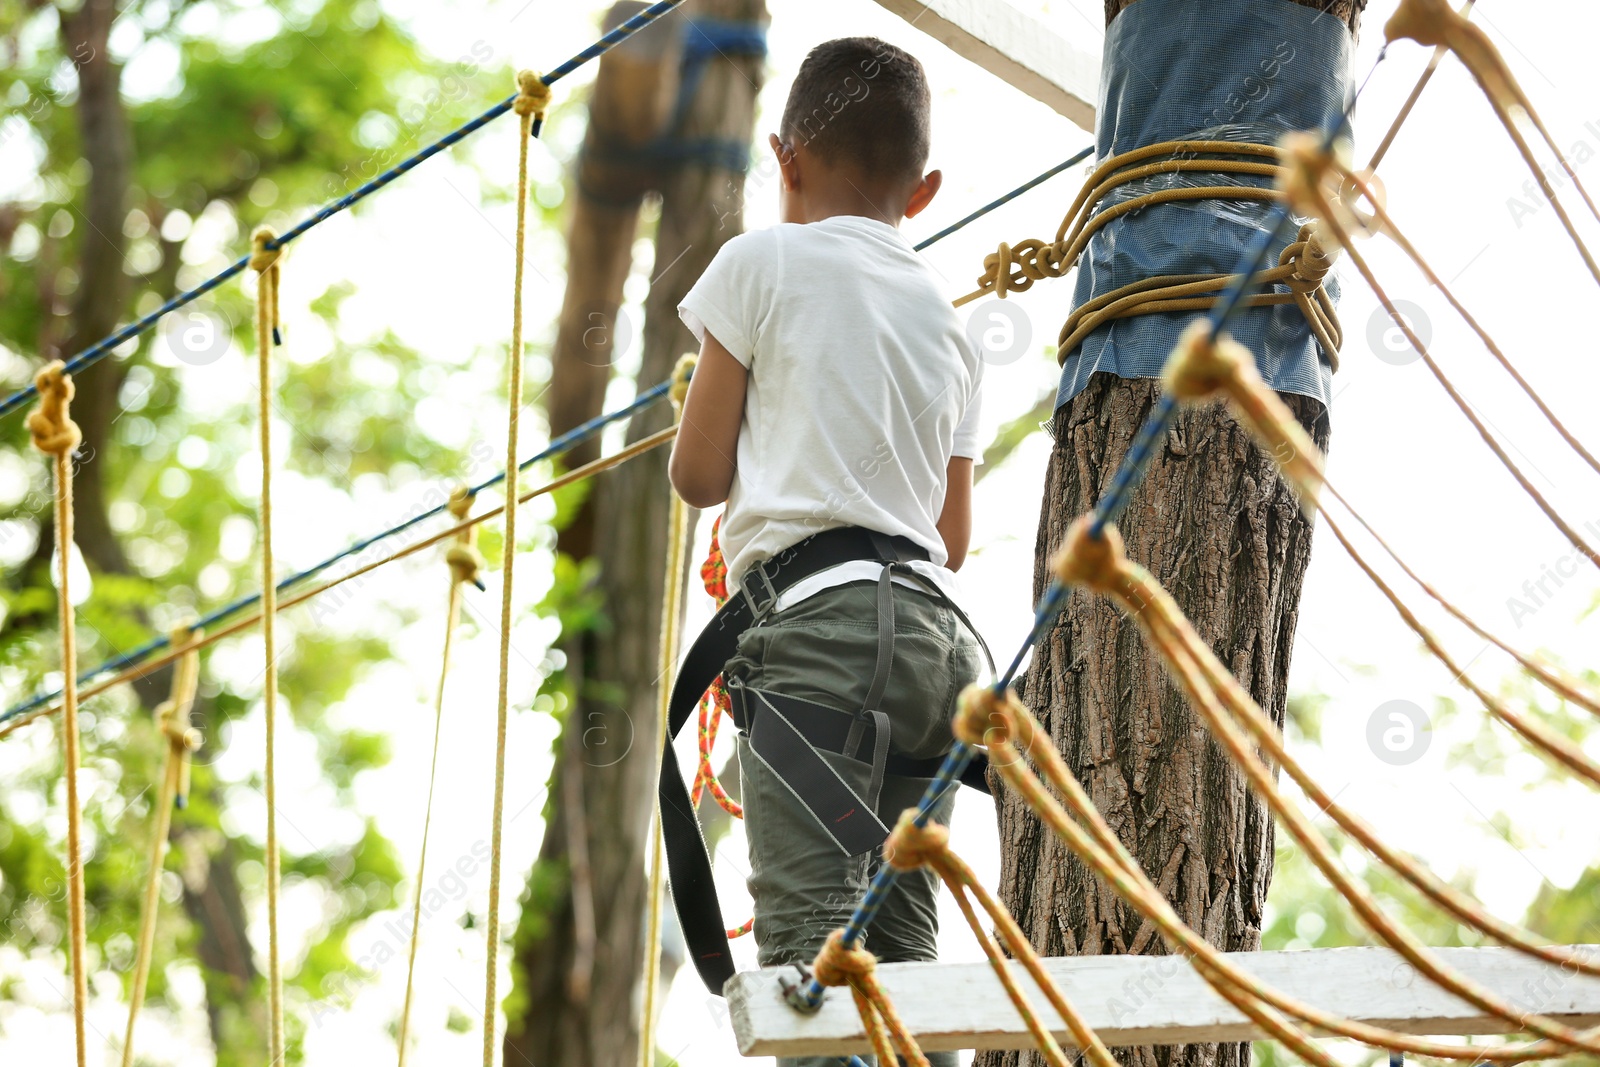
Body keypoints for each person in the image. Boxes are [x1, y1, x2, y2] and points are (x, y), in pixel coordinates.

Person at [666, 35, 987, 1067]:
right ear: (926, 188)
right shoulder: (949, 321)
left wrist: (732, 401)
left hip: (813, 642)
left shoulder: (757, 261)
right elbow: (952, 535)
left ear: (783, 159)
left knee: (814, 958)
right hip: (934, 650)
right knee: (901, 957)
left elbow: (698, 474)